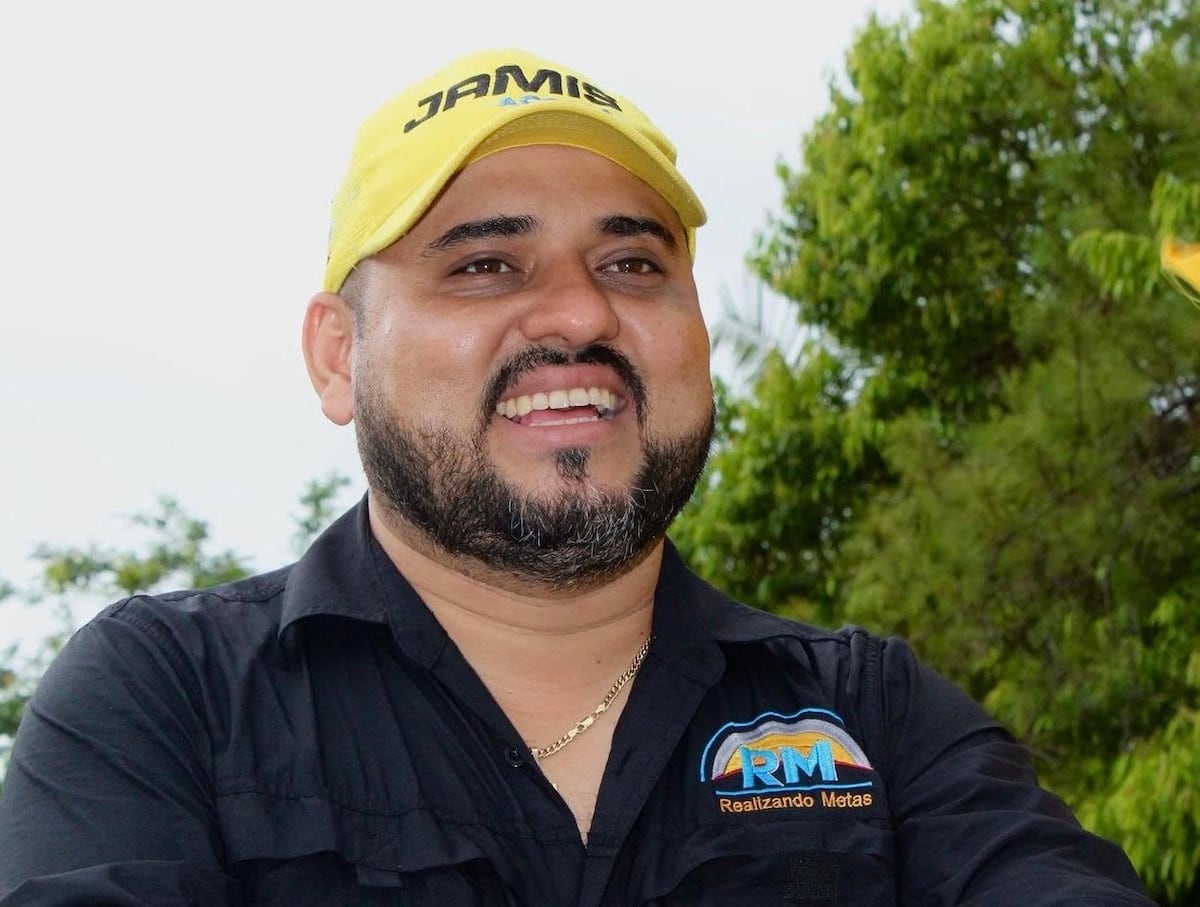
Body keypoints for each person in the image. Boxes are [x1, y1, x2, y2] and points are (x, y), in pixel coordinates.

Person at [0, 47, 1155, 906]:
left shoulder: (880, 717)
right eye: (486, 264)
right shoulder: (167, 702)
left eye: (634, 262)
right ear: (339, 356)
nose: (581, 314)